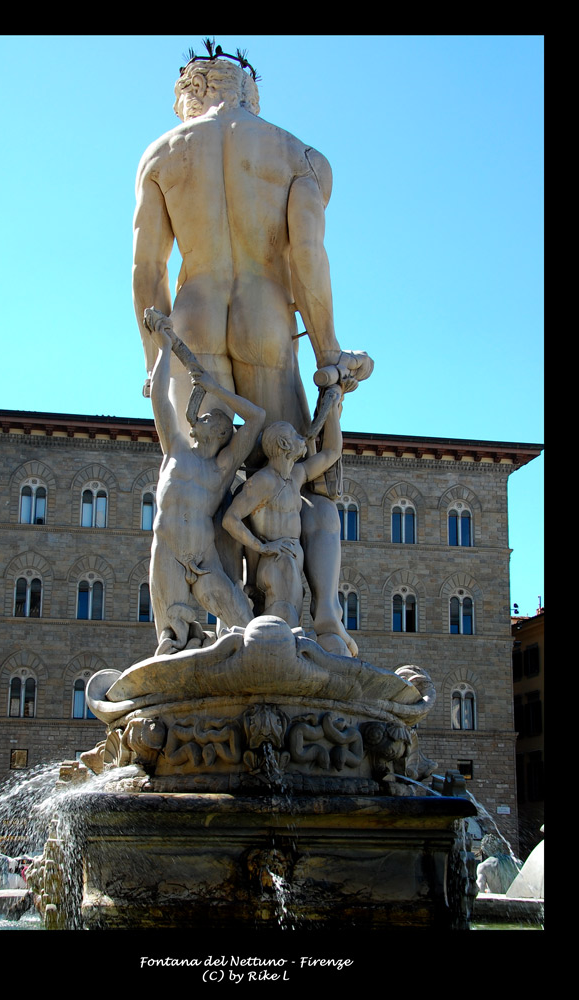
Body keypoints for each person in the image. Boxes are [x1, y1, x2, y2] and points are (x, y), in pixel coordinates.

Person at [132, 51, 373, 652]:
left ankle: (187, 632)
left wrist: (152, 360)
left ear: (188, 94)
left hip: (193, 320)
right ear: (251, 93)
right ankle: (313, 622)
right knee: (299, 483)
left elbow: (146, 271)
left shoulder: (163, 154)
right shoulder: (299, 157)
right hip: (267, 317)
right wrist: (329, 353)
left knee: (195, 483)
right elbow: (308, 260)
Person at [145, 308, 265, 653]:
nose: (201, 416)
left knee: (243, 622)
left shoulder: (222, 467)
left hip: (203, 556)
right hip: (168, 548)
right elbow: (159, 400)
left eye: (211, 416)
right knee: (170, 640)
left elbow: (257, 418)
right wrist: (164, 347)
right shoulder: (176, 449)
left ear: (222, 432)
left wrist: (214, 388)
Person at [222, 387, 354, 654]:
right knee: (284, 634)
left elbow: (331, 453)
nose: (301, 438)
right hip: (277, 563)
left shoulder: (296, 476)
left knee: (289, 629)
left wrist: (333, 412)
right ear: (283, 445)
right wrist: (262, 548)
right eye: (294, 436)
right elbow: (230, 519)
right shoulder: (263, 482)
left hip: (291, 559)